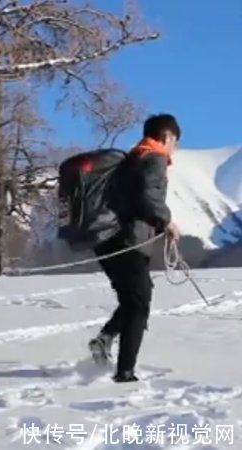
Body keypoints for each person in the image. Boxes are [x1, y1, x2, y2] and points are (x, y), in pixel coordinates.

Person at [88, 113, 181, 383]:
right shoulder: (154, 158)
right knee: (140, 303)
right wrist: (166, 222)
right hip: (126, 242)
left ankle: (105, 339)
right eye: (175, 142)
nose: (174, 149)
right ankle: (125, 373)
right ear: (167, 137)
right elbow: (146, 196)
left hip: (105, 241)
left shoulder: (131, 159)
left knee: (135, 299)